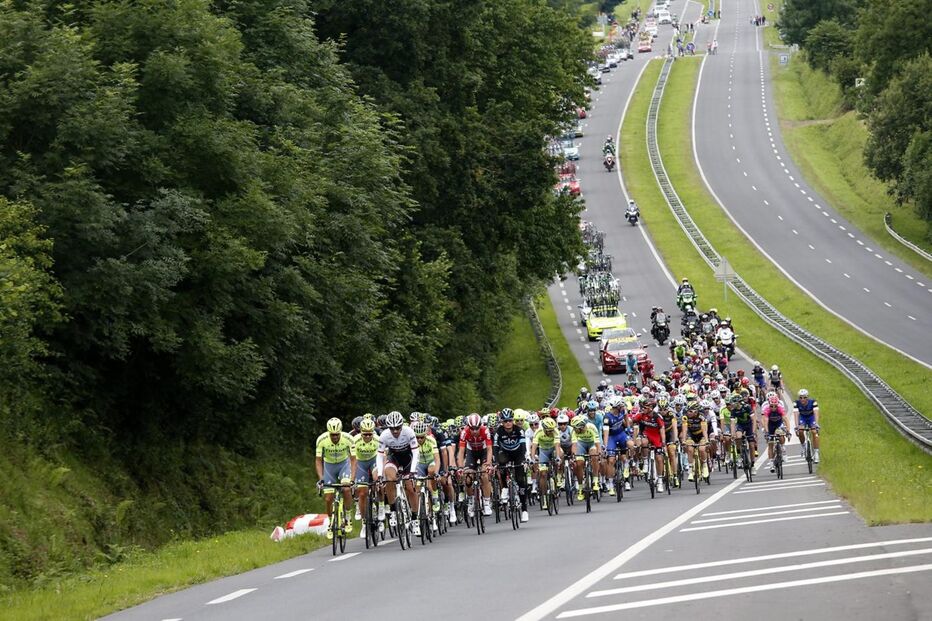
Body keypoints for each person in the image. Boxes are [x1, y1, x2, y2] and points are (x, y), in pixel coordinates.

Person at [376, 411, 420, 533]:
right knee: (389, 478)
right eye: (392, 428)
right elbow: (379, 456)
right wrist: (380, 475)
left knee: (411, 488)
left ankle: (415, 519)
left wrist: (412, 472)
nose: (395, 431)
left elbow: (416, 452)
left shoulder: (409, 432)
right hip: (393, 458)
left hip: (408, 459)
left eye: (397, 428)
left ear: (402, 425)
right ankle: (393, 510)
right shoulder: (384, 435)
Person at [315, 418, 356, 539]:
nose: (335, 438)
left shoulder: (348, 439)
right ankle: (330, 522)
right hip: (329, 467)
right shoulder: (321, 440)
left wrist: (352, 479)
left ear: (340, 432)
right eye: (332, 435)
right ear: (329, 433)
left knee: (346, 489)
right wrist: (321, 478)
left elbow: (353, 460)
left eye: (337, 435)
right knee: (328, 498)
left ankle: (348, 516)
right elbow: (318, 461)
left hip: (344, 464)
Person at [456, 413, 494, 517]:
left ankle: (486, 502)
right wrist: (460, 467)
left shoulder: (485, 430)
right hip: (471, 452)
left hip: (483, 452)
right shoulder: (464, 432)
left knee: (485, 474)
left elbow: (490, 449)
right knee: (467, 477)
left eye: (477, 428)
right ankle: (471, 501)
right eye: (472, 428)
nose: (475, 431)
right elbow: (461, 451)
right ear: (468, 427)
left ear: (480, 426)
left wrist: (489, 464)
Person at [351, 418, 381, 538]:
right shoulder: (355, 440)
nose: (368, 436)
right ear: (360, 432)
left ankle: (381, 506)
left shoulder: (378, 440)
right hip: (361, 464)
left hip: (374, 461)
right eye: (365, 434)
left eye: (370, 434)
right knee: (362, 492)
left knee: (377, 479)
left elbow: (383, 456)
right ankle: (364, 522)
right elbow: (351, 459)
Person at [630, 401, 667, 492]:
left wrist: (663, 442)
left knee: (659, 459)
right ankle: (645, 462)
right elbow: (631, 422)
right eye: (643, 407)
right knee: (642, 442)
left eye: (645, 407)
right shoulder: (641, 415)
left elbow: (662, 429)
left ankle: (660, 481)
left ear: (651, 408)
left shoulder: (657, 417)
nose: (643, 409)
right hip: (646, 435)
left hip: (656, 437)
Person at [531, 417, 563, 510]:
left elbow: (557, 445)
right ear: (544, 429)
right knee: (543, 474)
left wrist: (557, 458)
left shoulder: (555, 431)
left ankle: (558, 475)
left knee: (561, 454)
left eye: (551, 430)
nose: (550, 432)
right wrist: (533, 459)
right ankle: (544, 498)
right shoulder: (538, 432)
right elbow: (534, 447)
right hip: (543, 451)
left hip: (553, 449)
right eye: (548, 430)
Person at [602, 396, 629, 494]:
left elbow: (626, 418)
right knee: (611, 460)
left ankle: (627, 463)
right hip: (611, 437)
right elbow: (606, 434)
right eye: (621, 405)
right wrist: (605, 447)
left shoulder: (623, 410)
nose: (623, 406)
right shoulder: (607, 417)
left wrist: (628, 428)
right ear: (616, 407)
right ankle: (610, 483)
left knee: (631, 444)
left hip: (621, 434)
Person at [571, 415, 602, 501]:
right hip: (581, 444)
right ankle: (580, 488)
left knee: (594, 456)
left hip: (592, 443)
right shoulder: (575, 432)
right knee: (579, 463)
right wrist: (574, 455)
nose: (574, 429)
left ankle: (595, 480)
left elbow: (597, 442)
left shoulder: (591, 427)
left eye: (575, 428)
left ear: (580, 427)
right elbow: (574, 445)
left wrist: (599, 452)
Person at [762, 392, 791, 473]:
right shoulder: (766, 409)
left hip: (778, 424)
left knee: (781, 434)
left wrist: (788, 431)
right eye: (772, 406)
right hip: (770, 425)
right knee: (770, 443)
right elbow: (766, 422)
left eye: (775, 406)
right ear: (769, 405)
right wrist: (767, 433)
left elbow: (786, 420)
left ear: (778, 404)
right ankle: (771, 462)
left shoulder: (780, 408)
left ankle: (783, 449)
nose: (773, 408)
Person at [793, 389, 820, 463]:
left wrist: (816, 424)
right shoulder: (796, 403)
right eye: (800, 397)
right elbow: (796, 415)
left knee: (814, 432)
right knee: (801, 431)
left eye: (804, 397)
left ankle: (816, 453)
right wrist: (796, 426)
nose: (802, 399)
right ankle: (803, 446)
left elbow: (816, 413)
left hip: (811, 418)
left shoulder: (813, 402)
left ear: (807, 397)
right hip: (803, 418)